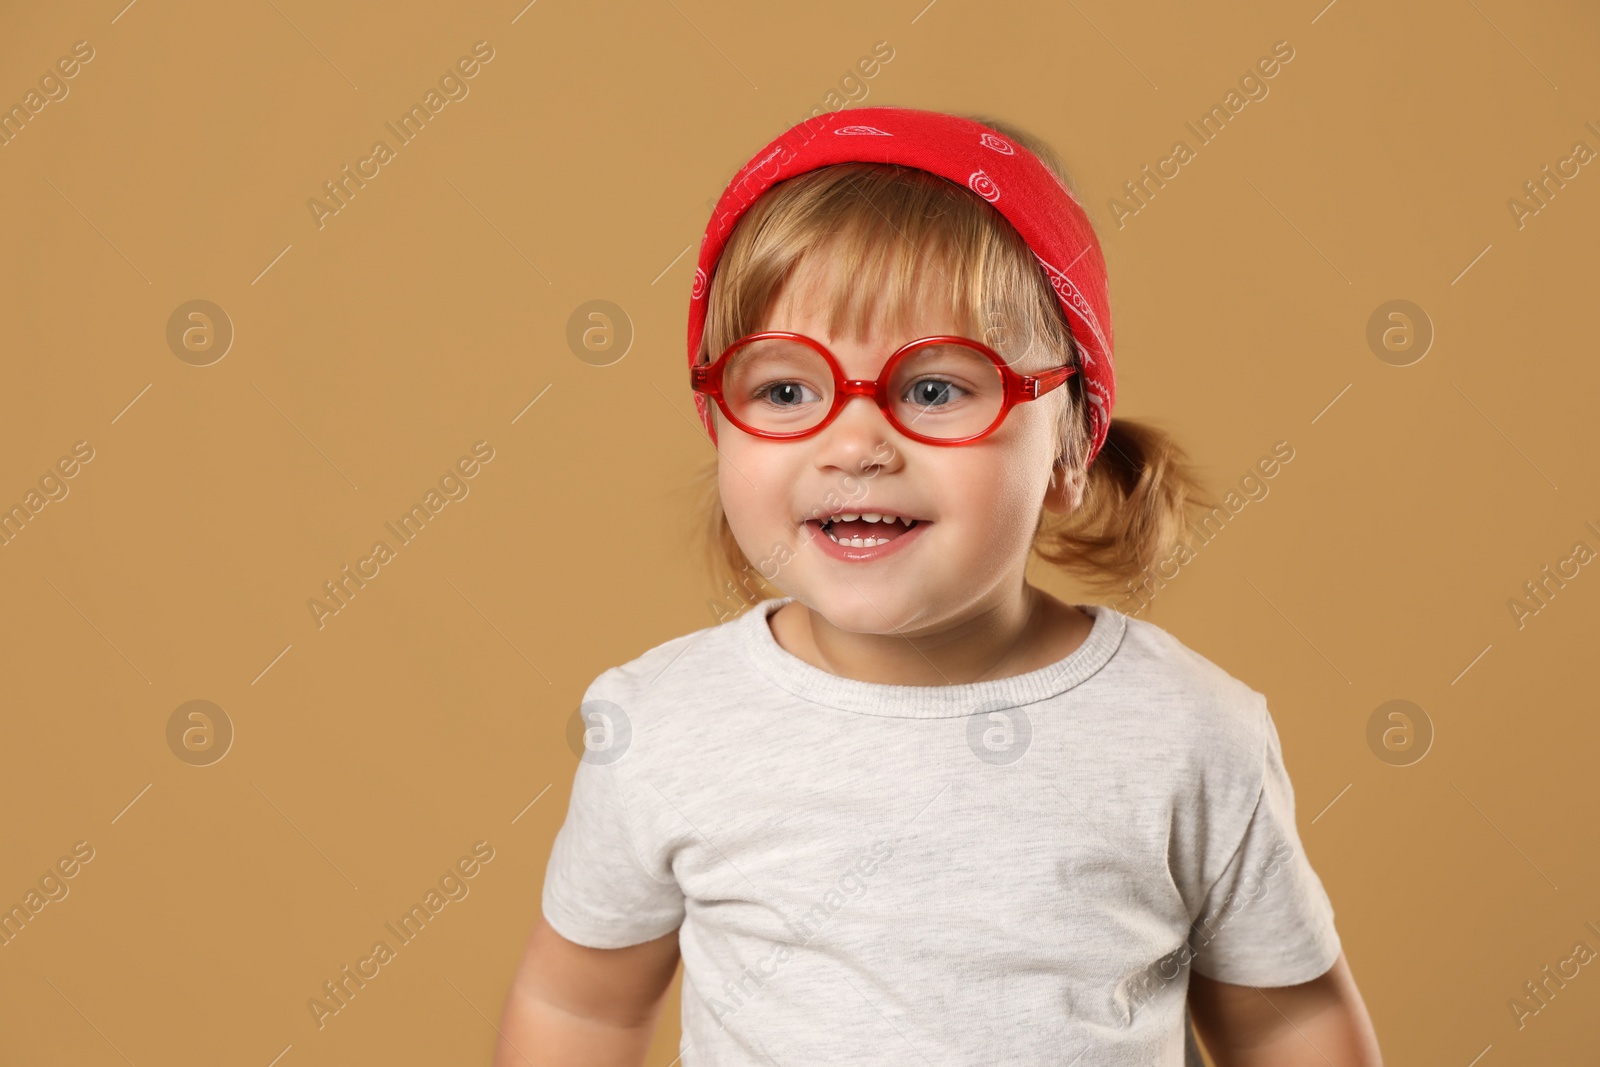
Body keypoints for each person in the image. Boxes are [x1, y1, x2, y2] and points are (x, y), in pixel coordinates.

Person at [496, 106, 1383, 1066]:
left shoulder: (1188, 733)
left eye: (936, 389)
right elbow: (580, 1007)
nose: (857, 444)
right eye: (787, 390)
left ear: (1071, 446)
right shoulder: (662, 726)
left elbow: (1289, 1022)